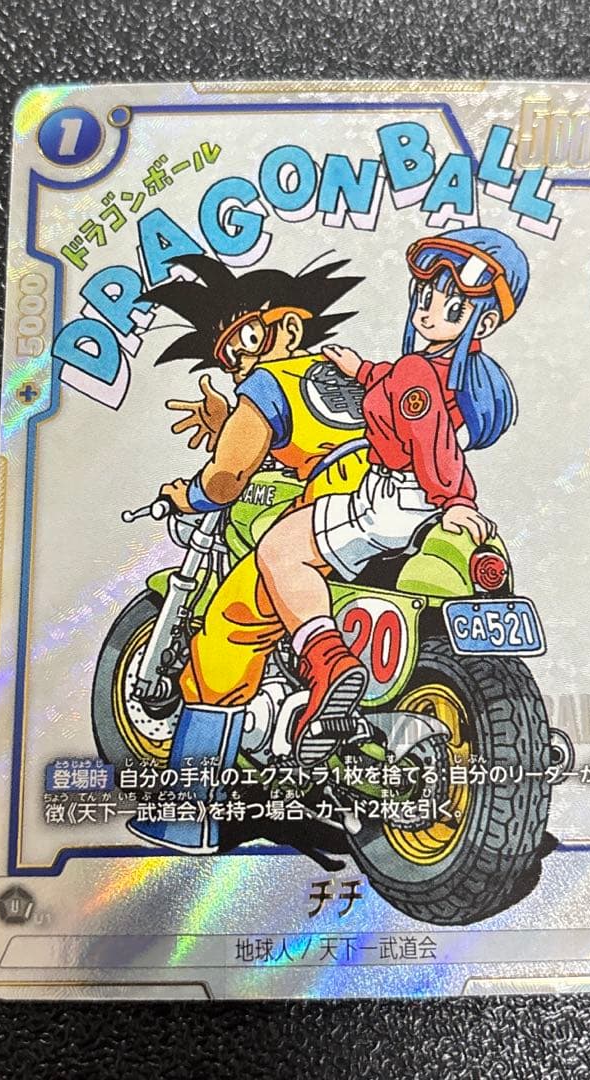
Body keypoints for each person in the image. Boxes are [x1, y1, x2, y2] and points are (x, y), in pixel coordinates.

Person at [255, 227, 530, 764]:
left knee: (280, 551)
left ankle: (327, 662)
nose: (430, 311)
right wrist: (361, 371)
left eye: (452, 306)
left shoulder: (416, 371)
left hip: (392, 502)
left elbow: (431, 438)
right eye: (426, 296)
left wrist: (455, 499)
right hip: (421, 505)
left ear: (484, 321)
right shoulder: (460, 373)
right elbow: (413, 392)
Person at [128, 253, 369, 851]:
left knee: (225, 636)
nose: (242, 360)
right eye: (231, 355)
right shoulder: (349, 373)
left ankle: (185, 817)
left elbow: (228, 479)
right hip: (395, 510)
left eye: (249, 339)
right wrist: (229, 425)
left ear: (288, 327)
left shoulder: (268, 384)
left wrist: (188, 493)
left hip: (328, 514)